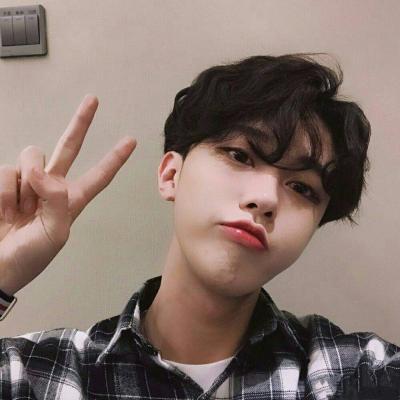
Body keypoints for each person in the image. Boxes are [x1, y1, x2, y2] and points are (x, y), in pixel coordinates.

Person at [0, 53, 398, 400]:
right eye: (240, 156)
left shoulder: (355, 373)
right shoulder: (37, 376)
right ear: (171, 175)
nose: (265, 199)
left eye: (302, 188)